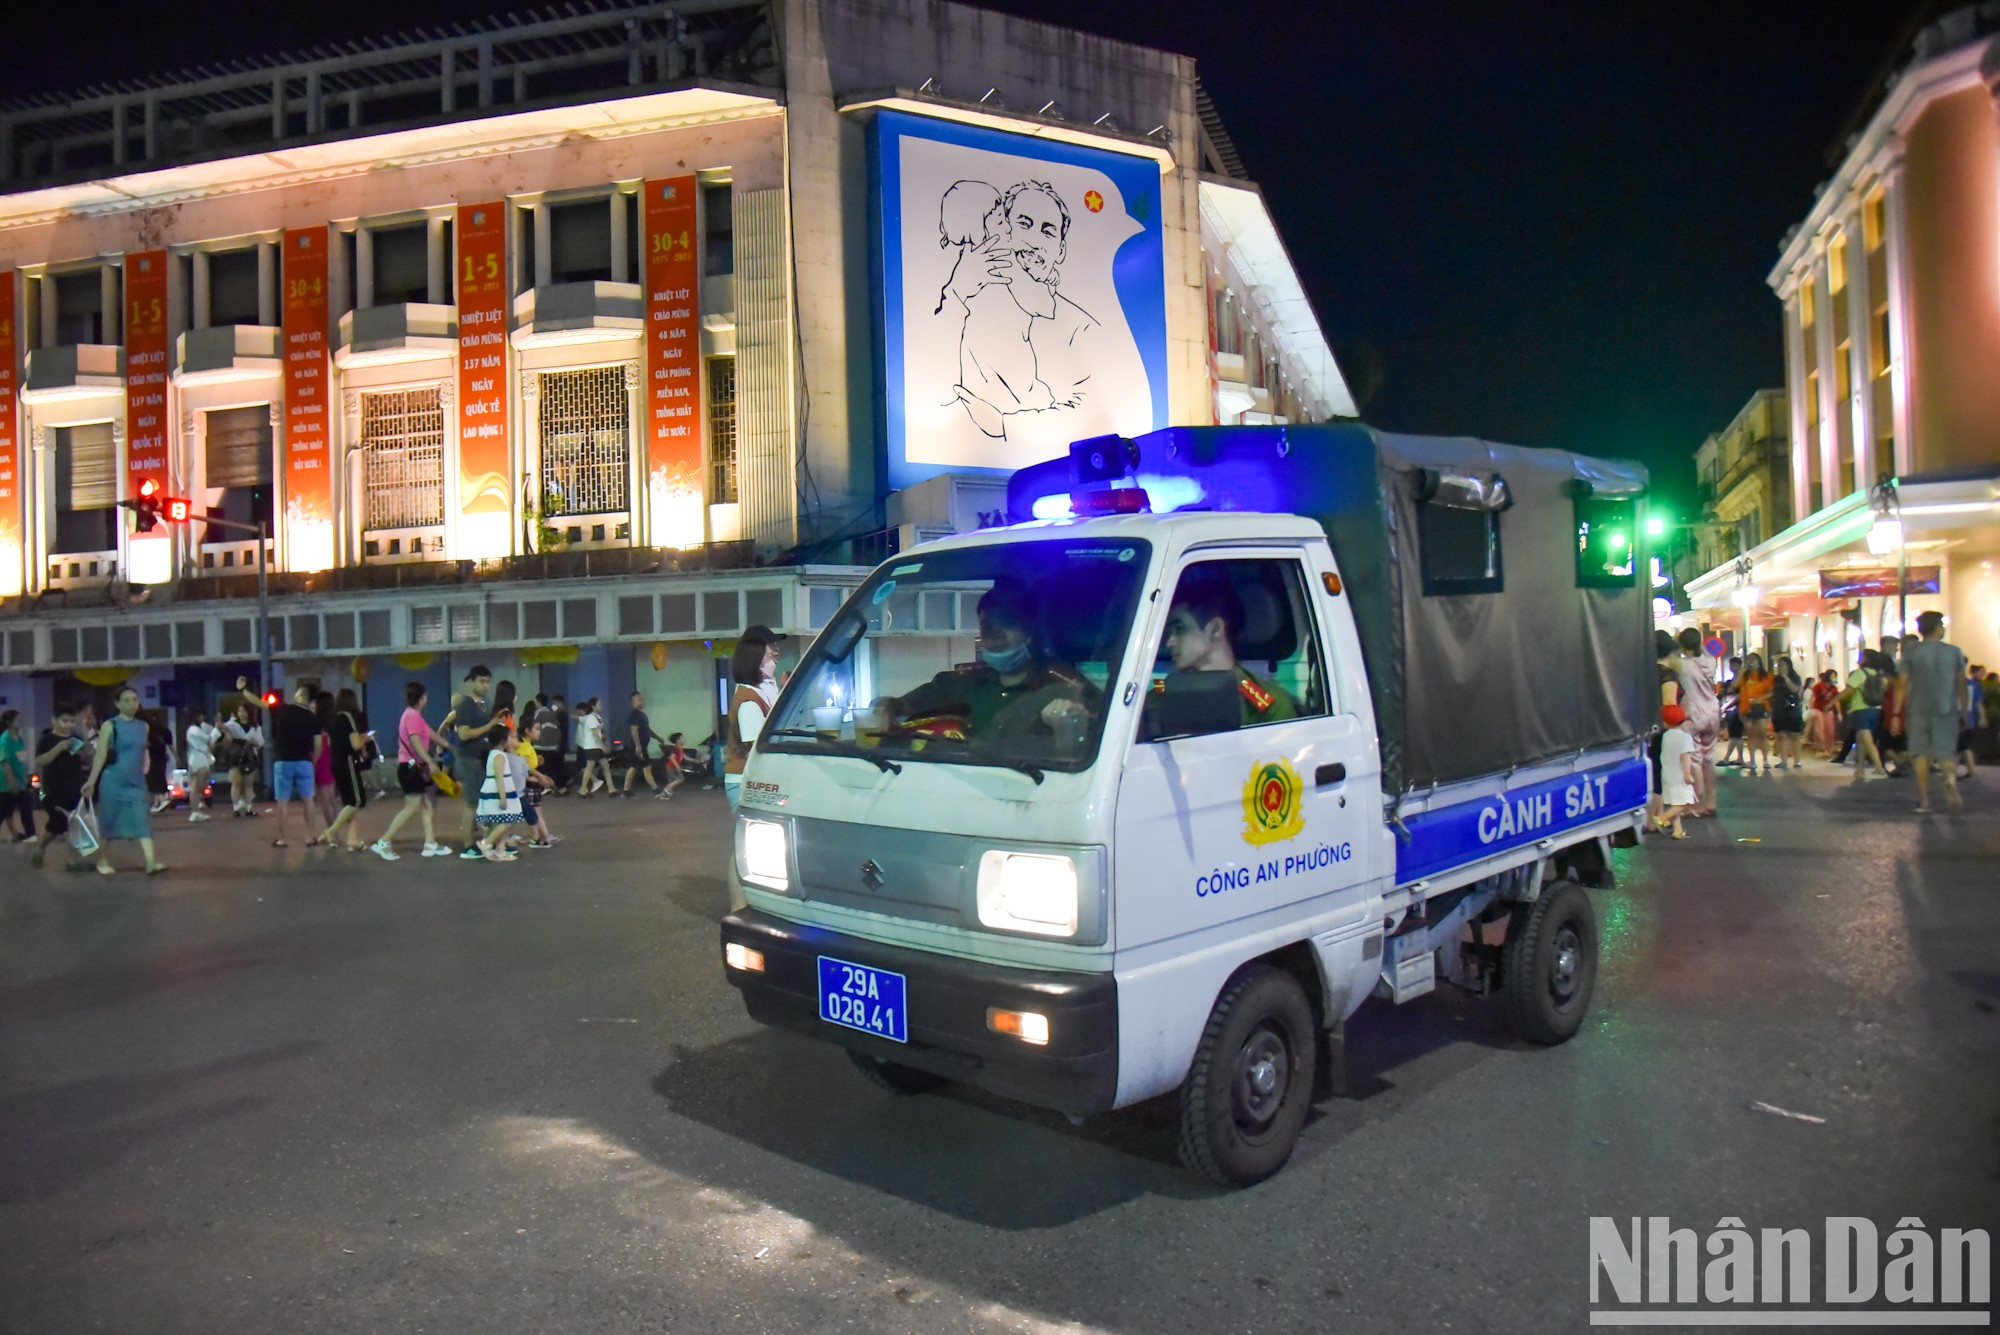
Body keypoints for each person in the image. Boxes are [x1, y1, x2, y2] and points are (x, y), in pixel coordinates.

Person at [874, 587, 1093, 745]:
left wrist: (1071, 724)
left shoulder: (1067, 687)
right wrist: (885, 707)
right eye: (987, 625)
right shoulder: (958, 684)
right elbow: (899, 705)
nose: (994, 634)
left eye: (1007, 622)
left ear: (1031, 629)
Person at [1155, 568, 1297, 727]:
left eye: (1180, 629)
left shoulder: (1267, 709)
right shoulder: (1158, 699)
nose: (1169, 642)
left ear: (1215, 629)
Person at [82, 684, 166, 875]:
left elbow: (143, 753)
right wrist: (91, 782)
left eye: (135, 699)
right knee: (109, 822)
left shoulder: (143, 726)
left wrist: (147, 772)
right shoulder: (110, 726)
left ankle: (151, 862)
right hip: (113, 781)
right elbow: (101, 755)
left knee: (142, 819)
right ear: (117, 704)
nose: (132, 703)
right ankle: (102, 860)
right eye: (126, 700)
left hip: (136, 781)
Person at [371, 682, 453, 861]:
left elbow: (431, 734)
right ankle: (384, 841)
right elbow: (415, 741)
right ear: (422, 698)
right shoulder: (412, 716)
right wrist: (431, 761)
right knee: (413, 806)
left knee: (427, 805)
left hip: (413, 767)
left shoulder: (413, 715)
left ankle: (430, 843)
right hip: (410, 768)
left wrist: (450, 746)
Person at [1902, 610, 1968, 815]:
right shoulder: (1954, 651)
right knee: (1945, 751)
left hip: (1918, 709)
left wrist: (1898, 713)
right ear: (1938, 628)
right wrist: (1964, 709)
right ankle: (1948, 779)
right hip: (1946, 708)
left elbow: (1902, 684)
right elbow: (1961, 683)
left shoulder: (1911, 652)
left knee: (1920, 754)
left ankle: (1924, 800)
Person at [252, 682, 327, 848]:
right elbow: (318, 746)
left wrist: (243, 690)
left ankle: (282, 839)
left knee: (282, 802)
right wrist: (312, 761)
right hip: (304, 762)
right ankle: (309, 837)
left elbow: (259, 703)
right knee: (308, 801)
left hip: (283, 761)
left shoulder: (284, 709)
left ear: (301, 694)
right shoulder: (314, 719)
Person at [725, 626, 788, 811]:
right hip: (746, 783)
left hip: (757, 782)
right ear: (755, 652)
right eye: (770, 645)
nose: (776, 649)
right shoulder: (749, 699)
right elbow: (755, 749)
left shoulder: (764, 690)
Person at [450, 666, 506, 858]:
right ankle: (467, 845)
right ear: (471, 682)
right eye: (481, 681)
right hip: (468, 759)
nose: (485, 685)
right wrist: (490, 725)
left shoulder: (484, 703)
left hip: (481, 759)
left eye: (488, 682)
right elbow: (463, 734)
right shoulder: (466, 704)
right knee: (471, 803)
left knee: (483, 802)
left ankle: (489, 839)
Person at [29, 703, 91, 870]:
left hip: (73, 788)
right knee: (63, 821)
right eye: (65, 721)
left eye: (72, 721)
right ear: (54, 720)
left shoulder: (75, 739)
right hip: (52, 790)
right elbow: (41, 760)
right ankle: (70, 860)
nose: (69, 725)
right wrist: (59, 748)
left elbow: (84, 763)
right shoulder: (47, 740)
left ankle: (46, 850)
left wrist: (86, 753)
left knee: (64, 824)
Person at [322, 688, 374, 852]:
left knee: (348, 802)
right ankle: (331, 831)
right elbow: (356, 744)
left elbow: (330, 743)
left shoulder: (333, 719)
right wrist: (367, 738)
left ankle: (353, 839)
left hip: (335, 762)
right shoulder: (348, 718)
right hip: (348, 762)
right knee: (357, 800)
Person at [1675, 628, 1720, 815]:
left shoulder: (1682, 665)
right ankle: (1711, 802)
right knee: (1708, 760)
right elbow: (1703, 651)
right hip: (1713, 712)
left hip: (1692, 713)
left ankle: (1695, 803)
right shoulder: (1711, 662)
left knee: (1693, 759)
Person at [473, 729, 523, 862]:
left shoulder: (496, 754)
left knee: (502, 820)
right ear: (503, 740)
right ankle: (486, 843)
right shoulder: (499, 756)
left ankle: (501, 850)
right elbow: (499, 777)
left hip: (499, 790)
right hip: (498, 791)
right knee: (508, 820)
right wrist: (503, 797)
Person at [1655, 704, 1696, 839]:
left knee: (1674, 803)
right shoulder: (1685, 737)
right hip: (1679, 776)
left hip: (1667, 774)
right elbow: (1685, 757)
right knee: (1684, 803)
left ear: (1665, 723)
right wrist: (1687, 774)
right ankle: (1661, 818)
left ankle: (1678, 830)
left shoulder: (1666, 736)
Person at [220, 697, 264, 816]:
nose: (242, 714)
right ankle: (236, 808)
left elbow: (260, 742)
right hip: (235, 755)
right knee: (236, 782)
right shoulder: (233, 724)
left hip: (249, 756)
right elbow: (223, 727)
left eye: (244, 711)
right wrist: (219, 724)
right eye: (240, 711)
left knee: (248, 783)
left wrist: (253, 742)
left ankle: (249, 808)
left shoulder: (255, 726)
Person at [0, 709, 35, 842]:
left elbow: (21, 759)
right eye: (17, 719)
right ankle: (30, 834)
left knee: (25, 806)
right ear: (9, 722)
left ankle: (31, 834)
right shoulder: (5, 739)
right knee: (5, 810)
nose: (21, 722)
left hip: (21, 780)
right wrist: (11, 781)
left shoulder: (19, 738)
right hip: (8, 782)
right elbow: (4, 761)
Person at [621, 691, 663, 797]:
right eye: (639, 699)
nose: (642, 701)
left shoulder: (642, 715)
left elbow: (647, 730)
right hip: (638, 746)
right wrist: (638, 746)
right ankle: (655, 789)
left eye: (642, 699)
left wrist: (658, 738)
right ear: (633, 701)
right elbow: (634, 731)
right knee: (646, 767)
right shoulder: (634, 715)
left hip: (641, 745)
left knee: (634, 767)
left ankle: (626, 790)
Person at [1737, 653, 1773, 775]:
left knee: (1762, 733)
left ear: (1759, 661)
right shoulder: (1744, 676)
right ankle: (1752, 760)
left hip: (1761, 706)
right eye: (1749, 660)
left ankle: (1765, 760)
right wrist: (1742, 671)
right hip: (1746, 707)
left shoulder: (1766, 676)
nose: (1751, 662)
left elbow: (1771, 691)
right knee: (1750, 734)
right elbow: (1734, 685)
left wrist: (1761, 698)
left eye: (1754, 659)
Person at [1769, 658, 1805, 771]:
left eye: (1782, 665)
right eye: (1778, 665)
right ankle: (1783, 761)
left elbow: (1795, 689)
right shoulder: (1775, 679)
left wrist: (1785, 677)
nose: (1780, 668)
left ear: (1789, 666)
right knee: (1781, 735)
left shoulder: (1795, 677)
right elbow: (1771, 692)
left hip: (1793, 710)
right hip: (1779, 710)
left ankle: (1797, 761)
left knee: (1795, 735)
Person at [184, 708, 218, 822]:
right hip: (198, 760)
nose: (203, 718)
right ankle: (194, 811)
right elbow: (209, 740)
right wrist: (217, 729)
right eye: (201, 716)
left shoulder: (191, 730)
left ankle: (196, 810)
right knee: (196, 787)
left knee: (197, 787)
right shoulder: (194, 730)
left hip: (196, 759)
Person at [573, 699, 612, 797]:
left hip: (595, 746)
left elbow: (600, 733)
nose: (601, 705)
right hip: (592, 746)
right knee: (590, 768)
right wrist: (603, 745)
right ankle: (583, 790)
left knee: (605, 766)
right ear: (593, 706)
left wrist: (603, 743)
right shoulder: (591, 718)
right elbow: (594, 733)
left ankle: (611, 788)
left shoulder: (597, 717)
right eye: (599, 704)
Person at [145, 711, 173, 815]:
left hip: (153, 758)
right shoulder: (165, 731)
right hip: (161, 758)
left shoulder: (149, 732)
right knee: (160, 777)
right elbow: (171, 746)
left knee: (154, 779)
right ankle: (159, 800)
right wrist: (177, 757)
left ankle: (159, 800)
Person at [1808, 669, 1841, 755]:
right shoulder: (1819, 686)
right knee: (1820, 728)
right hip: (1818, 709)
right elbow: (1812, 698)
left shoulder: (1834, 688)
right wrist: (1811, 709)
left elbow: (1835, 700)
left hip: (1828, 710)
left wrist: (1839, 712)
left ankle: (1829, 748)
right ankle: (1821, 748)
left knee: (1830, 730)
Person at [546, 695, 573, 794]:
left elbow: (561, 732)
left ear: (560, 703)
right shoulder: (558, 714)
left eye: (555, 703)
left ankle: (562, 786)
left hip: (558, 744)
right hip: (558, 744)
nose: (553, 705)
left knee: (557, 766)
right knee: (558, 765)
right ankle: (564, 782)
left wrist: (558, 744)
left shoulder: (561, 715)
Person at [659, 731, 688, 801]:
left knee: (671, 781)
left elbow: (684, 756)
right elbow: (672, 757)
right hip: (671, 767)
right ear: (678, 740)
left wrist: (695, 760)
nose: (685, 739)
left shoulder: (680, 748)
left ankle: (664, 794)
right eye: (683, 738)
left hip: (672, 767)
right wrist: (677, 766)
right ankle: (666, 790)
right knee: (680, 778)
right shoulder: (676, 749)